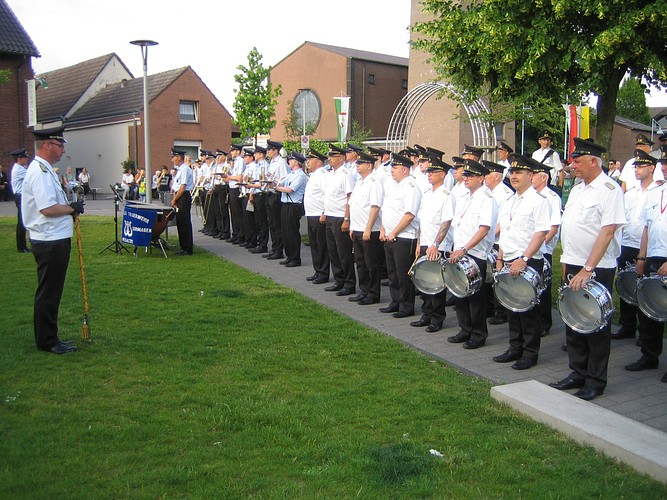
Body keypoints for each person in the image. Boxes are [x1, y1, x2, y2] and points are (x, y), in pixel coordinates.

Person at [549, 138, 625, 401]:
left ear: (594, 161)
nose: (573, 166)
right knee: (574, 320)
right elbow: (571, 228)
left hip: (596, 267)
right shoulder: (578, 189)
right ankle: (577, 372)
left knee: (596, 324)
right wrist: (566, 263)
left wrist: (588, 268)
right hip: (573, 262)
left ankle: (595, 380)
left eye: (578, 162)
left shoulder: (609, 190)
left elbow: (607, 232)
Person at [22, 127, 84, 354]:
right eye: (60, 145)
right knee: (49, 291)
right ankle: (47, 340)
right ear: (47, 145)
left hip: (54, 237)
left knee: (52, 290)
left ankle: (49, 336)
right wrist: (71, 208)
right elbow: (47, 208)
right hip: (49, 240)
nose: (63, 150)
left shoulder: (45, 169)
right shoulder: (40, 172)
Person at [492, 155, 550, 370]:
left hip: (528, 261)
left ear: (531, 175)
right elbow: (505, 233)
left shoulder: (538, 201)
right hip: (508, 260)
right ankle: (514, 347)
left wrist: (524, 258)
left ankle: (530, 353)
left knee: (528, 310)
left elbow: (541, 233)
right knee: (512, 307)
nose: (514, 176)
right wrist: (500, 258)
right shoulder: (509, 201)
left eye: (519, 173)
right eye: (512, 172)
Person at [447, 159, 498, 349]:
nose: (466, 178)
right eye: (465, 175)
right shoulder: (466, 197)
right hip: (459, 251)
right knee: (460, 293)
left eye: (471, 176)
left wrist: (465, 249)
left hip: (475, 253)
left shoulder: (487, 199)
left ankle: (478, 334)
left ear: (481, 178)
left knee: (475, 296)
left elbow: (484, 229)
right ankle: (465, 329)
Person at [612, 149, 658, 341]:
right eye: (635, 167)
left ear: (651, 168)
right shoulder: (630, 194)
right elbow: (623, 220)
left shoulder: (658, 192)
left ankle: (644, 331)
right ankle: (627, 325)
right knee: (626, 286)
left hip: (646, 246)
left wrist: (643, 254)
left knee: (644, 289)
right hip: (627, 244)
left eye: (640, 166)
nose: (636, 170)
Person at [632, 149, 667, 382]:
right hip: (653, 256)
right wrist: (642, 258)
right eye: (663, 162)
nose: (664, 167)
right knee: (650, 310)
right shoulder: (655, 192)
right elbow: (647, 227)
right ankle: (649, 355)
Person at [410, 155, 453, 331]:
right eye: (428, 172)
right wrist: (420, 243)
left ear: (442, 174)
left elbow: (446, 222)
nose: (429, 174)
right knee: (424, 280)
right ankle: (426, 314)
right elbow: (422, 221)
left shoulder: (446, 196)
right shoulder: (427, 194)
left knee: (437, 283)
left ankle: (437, 318)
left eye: (433, 172)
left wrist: (435, 244)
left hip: (438, 245)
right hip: (425, 243)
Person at [379, 153, 422, 318]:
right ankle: (395, 301)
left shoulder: (411, 187)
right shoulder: (395, 186)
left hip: (404, 237)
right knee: (393, 273)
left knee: (403, 274)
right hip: (390, 236)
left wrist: (394, 232)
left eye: (395, 168)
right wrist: (383, 229)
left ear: (405, 169)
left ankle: (406, 305)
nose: (392, 171)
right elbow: (388, 211)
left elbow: (409, 215)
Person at [347, 152, 384, 305]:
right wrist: (352, 226)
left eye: (360, 164)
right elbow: (353, 204)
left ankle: (373, 294)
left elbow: (375, 207)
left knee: (371, 264)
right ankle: (364, 290)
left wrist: (368, 228)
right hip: (357, 228)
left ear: (369, 165)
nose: (357, 166)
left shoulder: (374, 182)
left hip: (369, 230)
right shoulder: (360, 182)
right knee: (360, 262)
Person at [531, 162, 562, 337]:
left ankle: (544, 322)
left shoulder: (552, 197)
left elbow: (553, 227)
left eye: (534, 175)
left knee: (543, 287)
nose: (531, 178)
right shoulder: (531, 195)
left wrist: (541, 245)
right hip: (530, 249)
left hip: (544, 250)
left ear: (544, 178)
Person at [322, 144, 357, 296]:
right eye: (329, 156)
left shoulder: (345, 174)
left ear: (341, 158)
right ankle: (339, 280)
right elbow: (328, 196)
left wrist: (347, 219)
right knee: (333, 252)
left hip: (340, 217)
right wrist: (324, 213)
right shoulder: (331, 174)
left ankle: (349, 283)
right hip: (330, 215)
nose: (330, 159)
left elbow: (349, 197)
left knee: (344, 253)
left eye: (333, 156)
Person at [275, 151, 308, 267]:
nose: (289, 161)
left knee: (292, 232)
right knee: (285, 232)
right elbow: (281, 183)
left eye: (291, 160)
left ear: (296, 162)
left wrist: (275, 187)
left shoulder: (300, 175)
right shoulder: (291, 174)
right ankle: (289, 256)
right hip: (285, 204)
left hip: (294, 206)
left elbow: (290, 189)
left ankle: (295, 258)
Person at [303, 149, 330, 284]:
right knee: (314, 244)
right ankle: (317, 270)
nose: (307, 162)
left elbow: (327, 195)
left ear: (318, 162)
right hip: (311, 214)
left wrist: (324, 213)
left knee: (321, 245)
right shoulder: (314, 174)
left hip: (319, 214)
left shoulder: (323, 175)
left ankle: (323, 273)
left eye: (310, 160)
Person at [265, 141, 288, 259]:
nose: (268, 152)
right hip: (269, 193)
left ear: (275, 150)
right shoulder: (272, 162)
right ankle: (274, 248)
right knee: (272, 224)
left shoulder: (281, 162)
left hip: (276, 194)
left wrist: (275, 184)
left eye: (269, 150)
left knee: (277, 224)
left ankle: (279, 250)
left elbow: (284, 179)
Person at [170, 149, 194, 255]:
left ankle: (187, 248)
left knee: (184, 222)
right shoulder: (180, 169)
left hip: (183, 197)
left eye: (173, 157)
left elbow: (182, 187)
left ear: (179, 157)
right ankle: (183, 246)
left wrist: (174, 199)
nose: (172, 160)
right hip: (179, 196)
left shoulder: (184, 169)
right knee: (180, 222)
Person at [10, 148, 31, 253]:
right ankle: (21, 246)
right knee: (22, 221)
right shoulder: (19, 169)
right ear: (19, 158)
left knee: (25, 219)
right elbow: (31, 176)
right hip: (20, 196)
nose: (27, 159)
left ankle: (23, 245)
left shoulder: (20, 168)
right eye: (25, 157)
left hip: (22, 196)